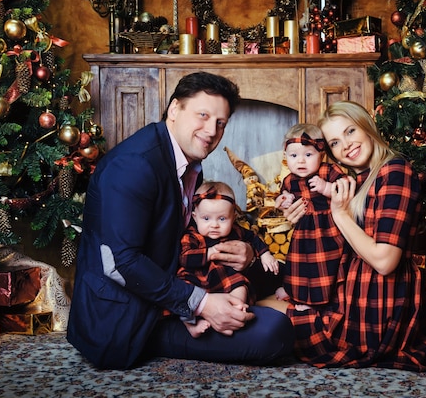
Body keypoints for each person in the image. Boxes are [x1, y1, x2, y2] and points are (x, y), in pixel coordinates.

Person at [67, 72, 294, 369]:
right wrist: (200, 304)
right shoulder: (134, 165)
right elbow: (120, 263)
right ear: (175, 109)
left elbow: (177, 238)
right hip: (127, 315)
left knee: (285, 274)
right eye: (203, 115)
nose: (211, 130)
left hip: (173, 280)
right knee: (274, 332)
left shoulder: (186, 161)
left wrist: (248, 255)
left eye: (221, 123)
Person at [278, 101, 426, 371]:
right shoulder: (355, 180)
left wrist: (339, 215)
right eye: (334, 142)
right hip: (345, 289)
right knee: (262, 305)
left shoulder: (394, 171)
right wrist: (301, 216)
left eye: (349, 132)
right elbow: (335, 238)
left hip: (377, 301)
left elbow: (384, 261)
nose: (345, 145)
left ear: (366, 126)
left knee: (267, 325)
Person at [178, 181, 280, 337]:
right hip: (197, 277)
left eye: (222, 219)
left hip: (224, 276)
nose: (214, 225)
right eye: (206, 218)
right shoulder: (192, 236)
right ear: (195, 217)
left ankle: (233, 312)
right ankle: (190, 325)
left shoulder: (236, 231)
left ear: (233, 217)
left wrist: (265, 254)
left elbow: (253, 238)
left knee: (241, 286)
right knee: (184, 293)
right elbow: (185, 257)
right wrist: (208, 253)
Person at [272, 124, 346, 312]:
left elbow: (345, 188)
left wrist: (326, 188)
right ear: (285, 155)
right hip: (304, 230)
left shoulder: (328, 171)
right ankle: (296, 293)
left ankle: (322, 299)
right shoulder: (289, 179)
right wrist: (284, 199)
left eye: (308, 155)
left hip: (328, 229)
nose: (301, 162)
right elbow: (282, 196)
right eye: (294, 156)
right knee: (299, 264)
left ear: (321, 154)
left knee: (325, 265)